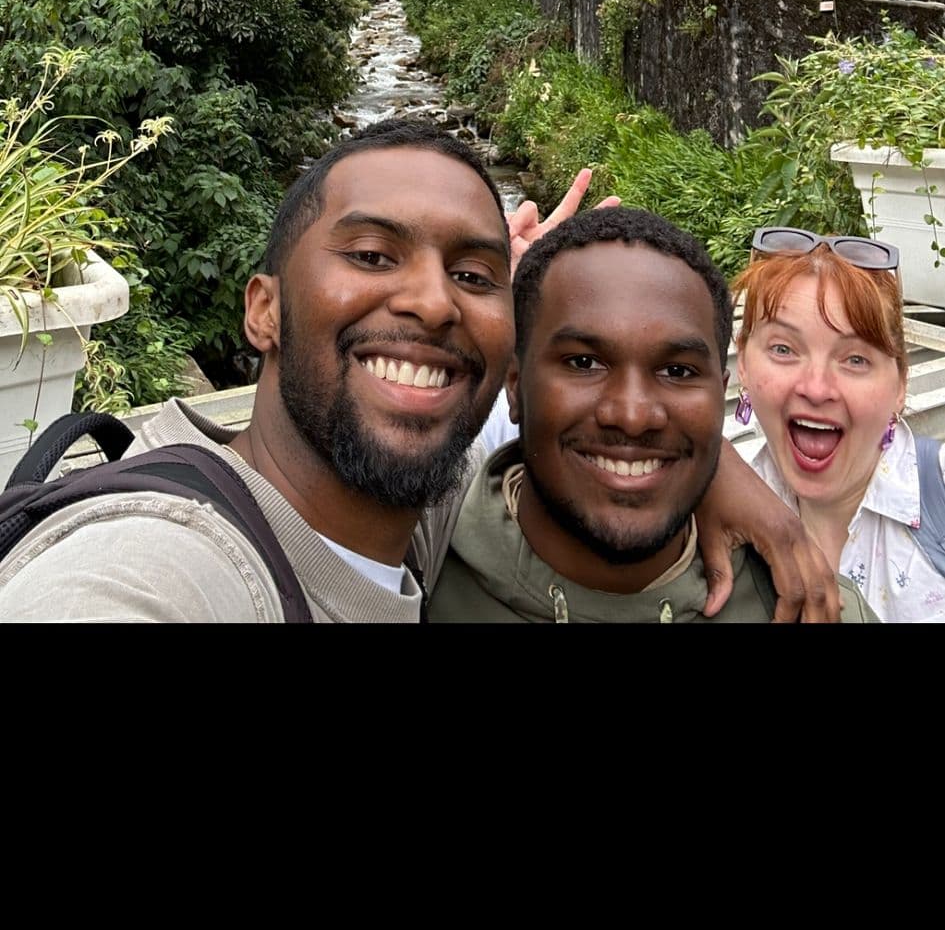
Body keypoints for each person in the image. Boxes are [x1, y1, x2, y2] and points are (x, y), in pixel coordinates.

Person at [0, 126, 845, 623]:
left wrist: (707, 467)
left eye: (473, 276)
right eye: (372, 255)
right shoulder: (160, 569)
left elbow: (605, 424)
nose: (434, 304)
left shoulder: (413, 504)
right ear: (263, 311)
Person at [428, 207, 877, 624]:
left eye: (677, 371)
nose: (633, 415)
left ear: (720, 396)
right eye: (584, 363)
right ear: (513, 382)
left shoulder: (815, 607)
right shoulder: (415, 566)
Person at [733, 229, 945, 622]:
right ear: (742, 361)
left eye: (855, 360)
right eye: (783, 349)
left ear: (900, 384)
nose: (816, 388)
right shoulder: (719, 501)